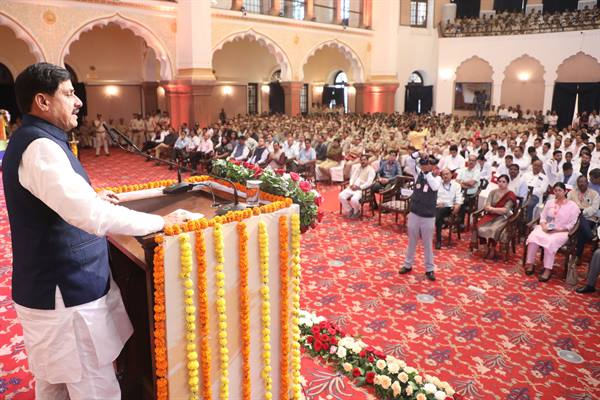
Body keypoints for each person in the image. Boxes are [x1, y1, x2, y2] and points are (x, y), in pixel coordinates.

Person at [2, 63, 188, 400]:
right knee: (93, 387)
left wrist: (90, 197)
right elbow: (90, 216)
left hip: (51, 291)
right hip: (65, 296)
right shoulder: (41, 146)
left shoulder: (33, 139)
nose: (78, 102)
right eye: (69, 94)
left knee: (55, 382)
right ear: (42, 101)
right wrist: (162, 223)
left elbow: (57, 201)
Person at [524, 182, 580, 282]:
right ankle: (530, 263)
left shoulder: (573, 206)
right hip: (548, 227)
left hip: (562, 231)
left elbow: (572, 225)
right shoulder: (550, 202)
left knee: (550, 242)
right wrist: (544, 226)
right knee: (533, 237)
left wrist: (557, 229)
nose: (557, 193)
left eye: (560, 190)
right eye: (555, 190)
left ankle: (547, 270)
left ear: (565, 191)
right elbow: (542, 217)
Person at [399, 154, 440, 281]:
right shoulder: (418, 175)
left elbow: (434, 187)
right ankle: (407, 265)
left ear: (432, 166)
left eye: (427, 163)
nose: (424, 165)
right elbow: (409, 161)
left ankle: (429, 269)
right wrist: (418, 154)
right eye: (423, 163)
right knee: (412, 241)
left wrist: (427, 172)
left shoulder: (436, 178)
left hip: (428, 216)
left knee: (427, 243)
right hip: (415, 213)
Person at [473, 174, 517, 259]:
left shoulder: (510, 195)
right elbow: (487, 205)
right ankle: (486, 247)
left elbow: (505, 210)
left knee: (494, 229)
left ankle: (492, 249)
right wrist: (491, 209)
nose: (501, 183)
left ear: (507, 183)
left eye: (503, 182)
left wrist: (492, 209)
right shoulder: (493, 192)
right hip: (490, 215)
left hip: (503, 218)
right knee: (479, 227)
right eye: (499, 181)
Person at [568, 175, 600, 264]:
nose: (581, 184)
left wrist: (582, 212)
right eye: (579, 182)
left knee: (581, 228)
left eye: (583, 182)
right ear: (577, 183)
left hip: (589, 218)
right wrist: (577, 212)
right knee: (580, 225)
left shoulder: (594, 194)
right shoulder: (571, 193)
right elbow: (568, 205)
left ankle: (577, 255)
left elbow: (594, 209)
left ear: (587, 183)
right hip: (573, 217)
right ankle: (590, 237)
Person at [435, 168, 463, 249]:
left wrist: (457, 205)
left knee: (438, 214)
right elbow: (433, 196)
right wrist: (437, 203)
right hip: (438, 206)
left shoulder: (456, 185)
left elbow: (459, 198)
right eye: (443, 174)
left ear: (451, 175)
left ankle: (437, 240)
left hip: (449, 208)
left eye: (447, 174)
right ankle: (438, 240)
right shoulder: (438, 184)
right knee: (438, 215)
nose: (445, 176)